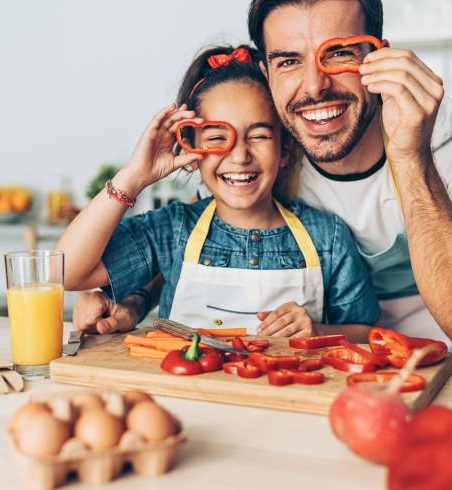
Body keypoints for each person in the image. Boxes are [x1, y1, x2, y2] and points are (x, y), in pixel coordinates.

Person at [75, 0, 452, 345]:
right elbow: (187, 240)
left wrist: (411, 158)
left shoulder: (440, 143)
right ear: (266, 73)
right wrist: (134, 299)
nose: (315, 86)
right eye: (289, 61)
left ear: (378, 56)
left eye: (337, 54)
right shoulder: (272, 151)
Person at [58, 45, 380, 340]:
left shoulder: (329, 237)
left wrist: (319, 331)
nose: (239, 156)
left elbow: (366, 332)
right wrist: (133, 177)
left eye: (259, 136)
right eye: (216, 138)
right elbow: (65, 272)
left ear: (284, 150)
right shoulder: (172, 230)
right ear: (192, 149)